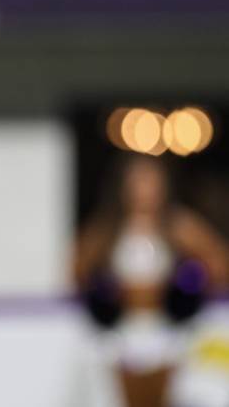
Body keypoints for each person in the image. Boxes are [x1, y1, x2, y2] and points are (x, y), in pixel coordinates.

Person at [73, 154, 229, 407]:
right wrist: (109, 291)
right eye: (138, 181)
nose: (144, 190)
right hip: (121, 332)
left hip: (167, 331)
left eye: (151, 181)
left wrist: (184, 286)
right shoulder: (109, 229)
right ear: (123, 186)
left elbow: (219, 264)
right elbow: (76, 267)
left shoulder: (178, 225)